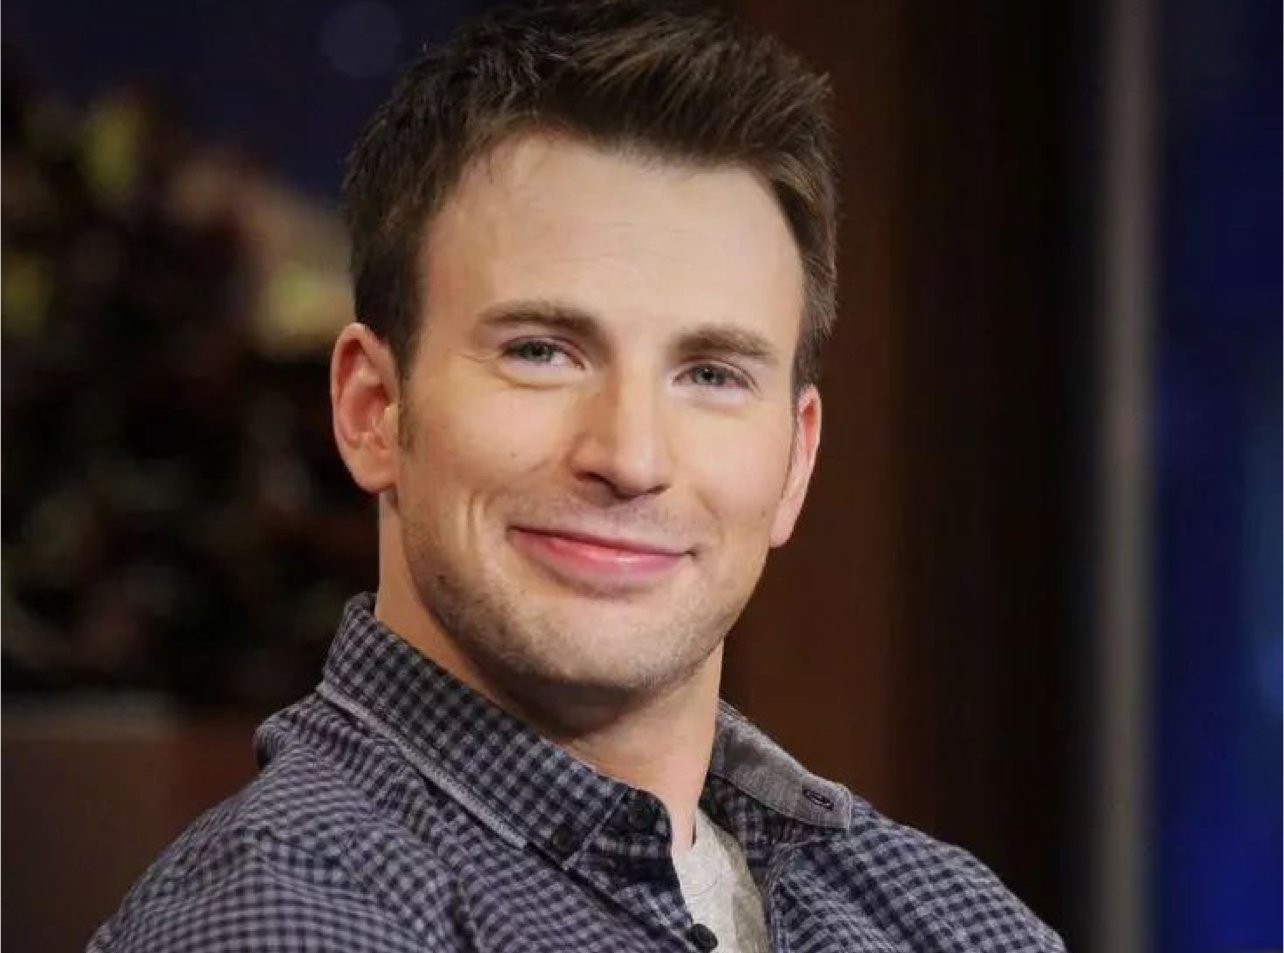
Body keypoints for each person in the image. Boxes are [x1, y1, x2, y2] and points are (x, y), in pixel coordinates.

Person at [90, 2, 1064, 950]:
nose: (631, 457)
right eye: (542, 351)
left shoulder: (947, 915)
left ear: (796, 459)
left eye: (712, 374)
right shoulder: (281, 912)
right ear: (372, 409)